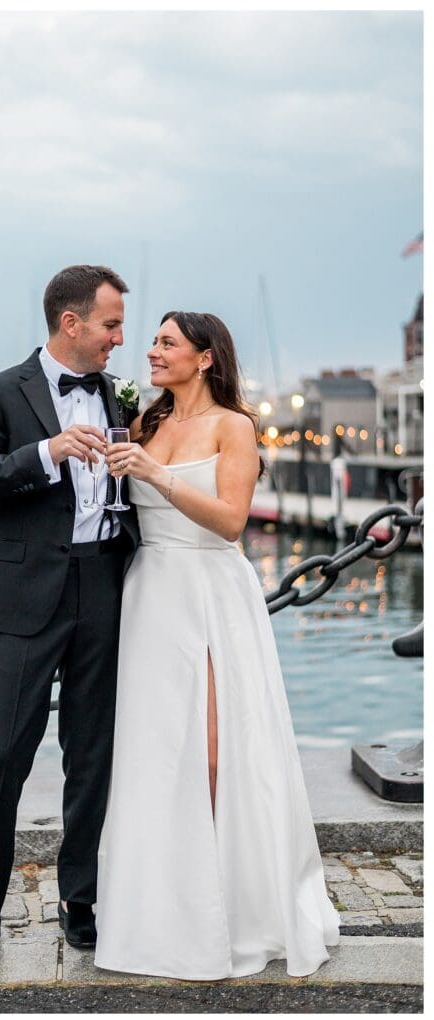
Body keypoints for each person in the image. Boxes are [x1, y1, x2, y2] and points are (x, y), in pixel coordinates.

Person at [95, 310, 340, 980]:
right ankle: (159, 912)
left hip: (210, 591)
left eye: (166, 343)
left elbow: (231, 522)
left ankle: (228, 906)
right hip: (151, 596)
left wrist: (157, 474)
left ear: (205, 357)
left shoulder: (234, 427)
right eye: (152, 341)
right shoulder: (142, 422)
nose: (151, 351)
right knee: (153, 754)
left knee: (214, 752)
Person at [0, 265, 139, 973]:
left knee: (91, 752)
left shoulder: (120, 396)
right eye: (111, 325)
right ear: (71, 322)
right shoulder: (0, 391)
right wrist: (46, 453)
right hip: (24, 595)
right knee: (2, 753)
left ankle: (79, 900)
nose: (119, 339)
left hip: (104, 584)